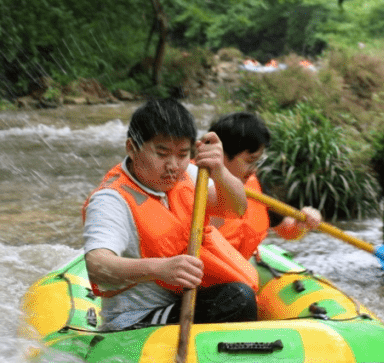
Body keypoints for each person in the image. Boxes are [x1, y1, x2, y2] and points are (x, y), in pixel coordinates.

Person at [82, 98, 259, 331]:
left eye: (182, 154)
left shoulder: (189, 174)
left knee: (240, 297)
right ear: (132, 148)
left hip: (185, 300)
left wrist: (220, 171)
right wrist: (159, 269)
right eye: (162, 153)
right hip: (137, 319)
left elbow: (235, 208)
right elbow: (97, 265)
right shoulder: (111, 200)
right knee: (237, 299)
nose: (173, 166)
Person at [190, 112, 322, 260]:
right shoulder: (189, 182)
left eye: (257, 161)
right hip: (202, 266)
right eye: (250, 160)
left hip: (239, 265)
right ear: (220, 153)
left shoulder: (254, 184)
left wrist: (301, 223)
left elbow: (287, 229)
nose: (254, 170)